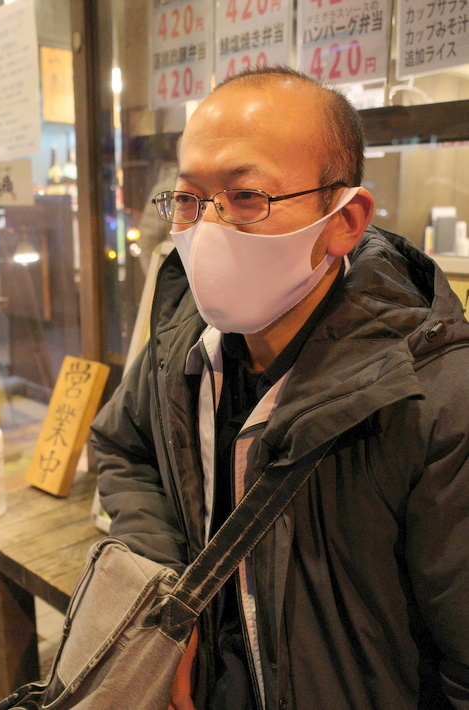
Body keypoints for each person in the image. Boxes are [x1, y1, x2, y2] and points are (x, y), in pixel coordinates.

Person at [91, 66, 469, 710]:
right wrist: (164, 591)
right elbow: (124, 449)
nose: (207, 228)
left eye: (246, 196)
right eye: (188, 199)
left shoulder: (434, 399)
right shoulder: (184, 340)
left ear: (344, 220)